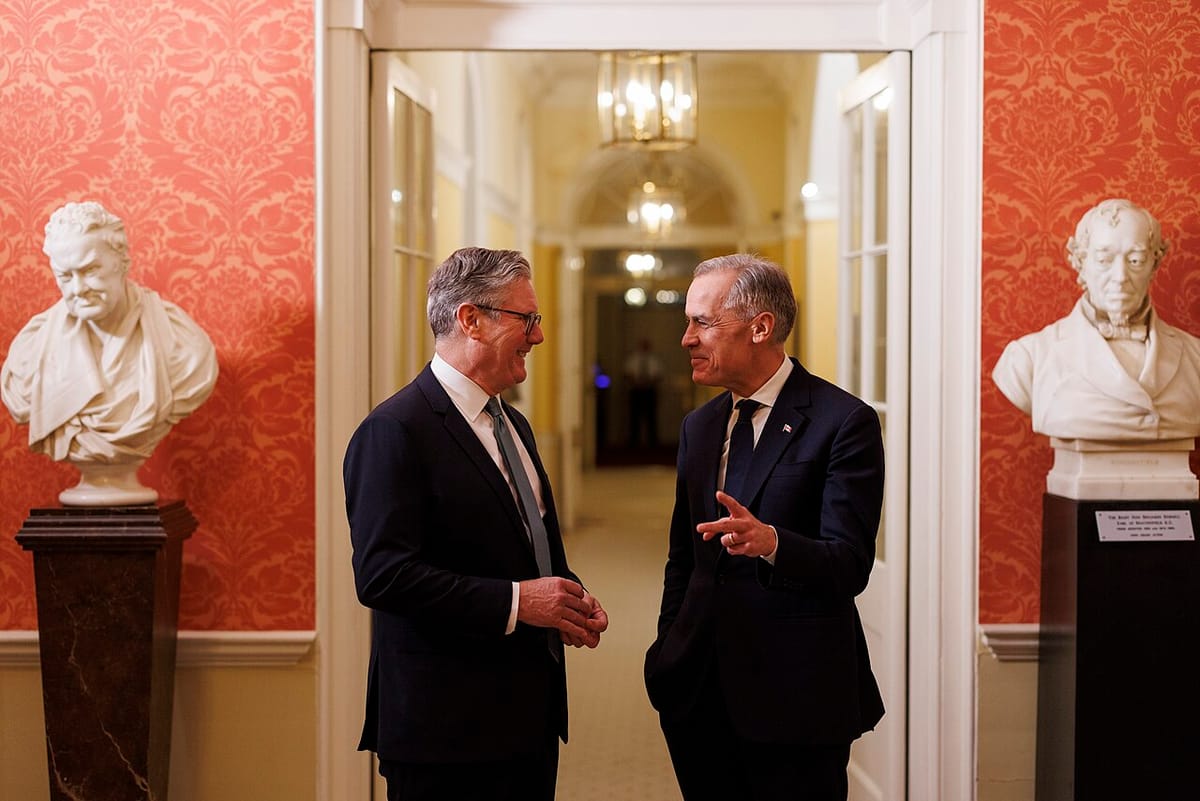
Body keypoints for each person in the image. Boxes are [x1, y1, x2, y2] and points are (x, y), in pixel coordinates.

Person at [343, 247, 608, 801]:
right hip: (444, 729)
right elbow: (384, 576)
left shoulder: (513, 424)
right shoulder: (395, 431)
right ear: (471, 320)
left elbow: (522, 548)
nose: (538, 336)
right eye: (526, 319)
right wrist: (518, 602)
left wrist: (566, 596)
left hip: (526, 718)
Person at [644, 253, 884, 801]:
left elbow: (849, 563)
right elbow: (683, 556)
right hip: (698, 690)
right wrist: (666, 651)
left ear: (761, 327)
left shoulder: (843, 422)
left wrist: (773, 543)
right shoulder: (699, 427)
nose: (686, 339)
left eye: (703, 322)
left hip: (795, 697)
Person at [0, 200, 217, 467]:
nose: (78, 289)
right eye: (65, 276)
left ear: (122, 262)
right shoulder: (29, 354)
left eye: (90, 270)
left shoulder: (183, 345)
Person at [992, 198, 1200, 440]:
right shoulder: (1028, 358)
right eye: (1104, 260)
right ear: (1081, 263)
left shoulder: (1194, 358)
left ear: (1154, 265)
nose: (1120, 277)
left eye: (1135, 260)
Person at [624, 337, 663, 447]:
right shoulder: (632, 359)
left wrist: (648, 382)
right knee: (634, 417)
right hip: (635, 391)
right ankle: (633, 442)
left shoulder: (654, 360)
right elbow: (627, 374)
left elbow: (659, 375)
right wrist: (637, 382)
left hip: (650, 391)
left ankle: (652, 442)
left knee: (651, 417)